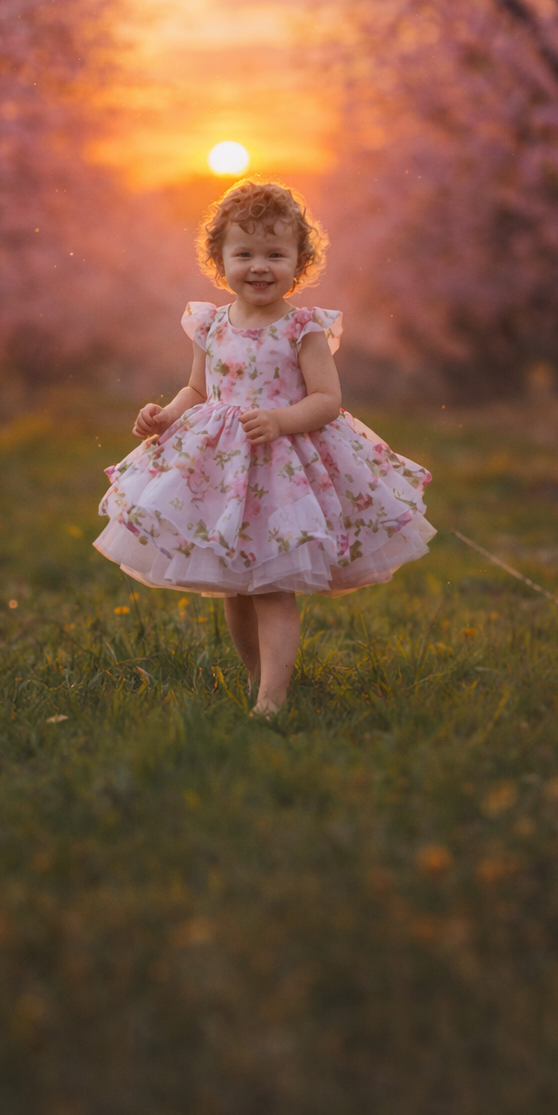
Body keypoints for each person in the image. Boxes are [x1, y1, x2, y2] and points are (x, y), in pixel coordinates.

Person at [94, 180, 434, 716]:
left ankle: (271, 701)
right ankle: (256, 677)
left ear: (298, 262)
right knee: (235, 588)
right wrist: (165, 415)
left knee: (272, 583)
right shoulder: (210, 324)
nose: (259, 266)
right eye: (244, 253)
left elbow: (327, 399)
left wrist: (279, 420)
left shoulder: (302, 328)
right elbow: (198, 389)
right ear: (219, 260)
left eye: (275, 254)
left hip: (285, 466)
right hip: (222, 469)